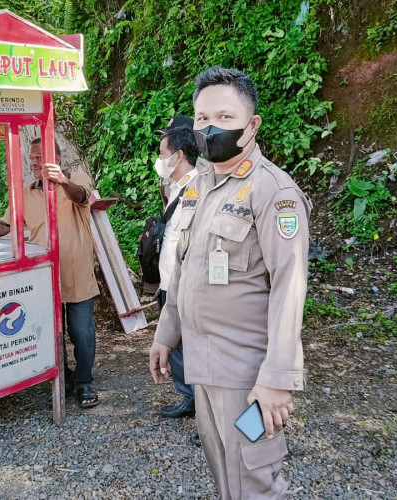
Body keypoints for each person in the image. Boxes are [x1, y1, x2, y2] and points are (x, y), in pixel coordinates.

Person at [149, 66, 311, 499]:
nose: (210, 127)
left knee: (254, 479)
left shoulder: (273, 191)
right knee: (224, 473)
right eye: (202, 119)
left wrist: (276, 379)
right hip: (205, 366)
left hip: (247, 374)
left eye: (224, 117)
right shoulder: (202, 184)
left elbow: (289, 288)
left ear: (251, 124)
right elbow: (185, 268)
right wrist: (166, 334)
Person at [0, 138, 100, 408]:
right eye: (31, 158)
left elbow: (82, 196)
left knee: (81, 333)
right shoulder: (25, 192)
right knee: (51, 334)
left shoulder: (76, 178)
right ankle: (64, 379)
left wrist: (61, 180)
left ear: (56, 159)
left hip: (78, 273)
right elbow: (5, 225)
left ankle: (85, 383)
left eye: (39, 157)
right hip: (44, 276)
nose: (33, 162)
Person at [153, 115, 200, 420]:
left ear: (180, 155)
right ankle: (189, 398)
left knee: (194, 347)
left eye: (162, 155)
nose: (159, 161)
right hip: (169, 282)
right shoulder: (174, 186)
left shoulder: (200, 188)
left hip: (186, 285)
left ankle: (207, 410)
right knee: (178, 346)